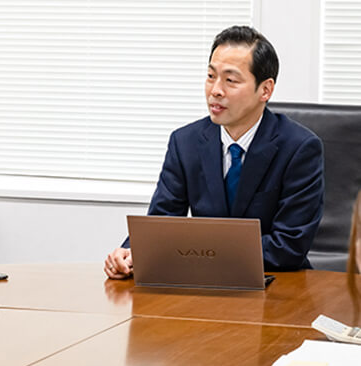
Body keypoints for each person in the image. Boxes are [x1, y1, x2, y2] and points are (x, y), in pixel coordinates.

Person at [105, 25, 324, 279]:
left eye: (230, 80)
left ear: (265, 90)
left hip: (280, 284)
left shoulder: (299, 148)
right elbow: (161, 223)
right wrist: (131, 252)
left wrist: (199, 251)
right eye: (211, 76)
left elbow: (289, 245)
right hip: (204, 283)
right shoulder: (185, 142)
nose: (215, 90)